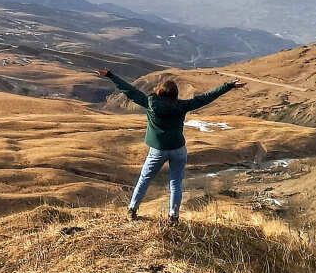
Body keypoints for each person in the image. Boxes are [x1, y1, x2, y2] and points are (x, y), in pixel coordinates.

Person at [99, 68, 240, 223]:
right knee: (175, 183)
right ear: (175, 94)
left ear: (159, 91)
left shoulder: (149, 103)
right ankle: (173, 216)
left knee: (144, 179)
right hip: (178, 149)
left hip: (158, 150)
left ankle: (132, 210)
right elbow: (206, 98)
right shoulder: (182, 106)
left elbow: (130, 91)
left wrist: (111, 75)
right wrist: (228, 86)